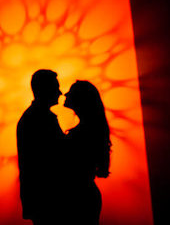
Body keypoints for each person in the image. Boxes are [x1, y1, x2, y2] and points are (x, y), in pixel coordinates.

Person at [17, 69, 67, 225]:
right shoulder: (39, 119)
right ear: (45, 90)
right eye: (56, 87)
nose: (60, 93)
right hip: (47, 200)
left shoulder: (35, 117)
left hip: (41, 199)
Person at [61, 80, 111, 225]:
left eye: (71, 91)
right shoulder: (89, 130)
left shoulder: (83, 133)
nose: (65, 94)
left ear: (81, 99)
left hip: (80, 197)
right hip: (86, 195)